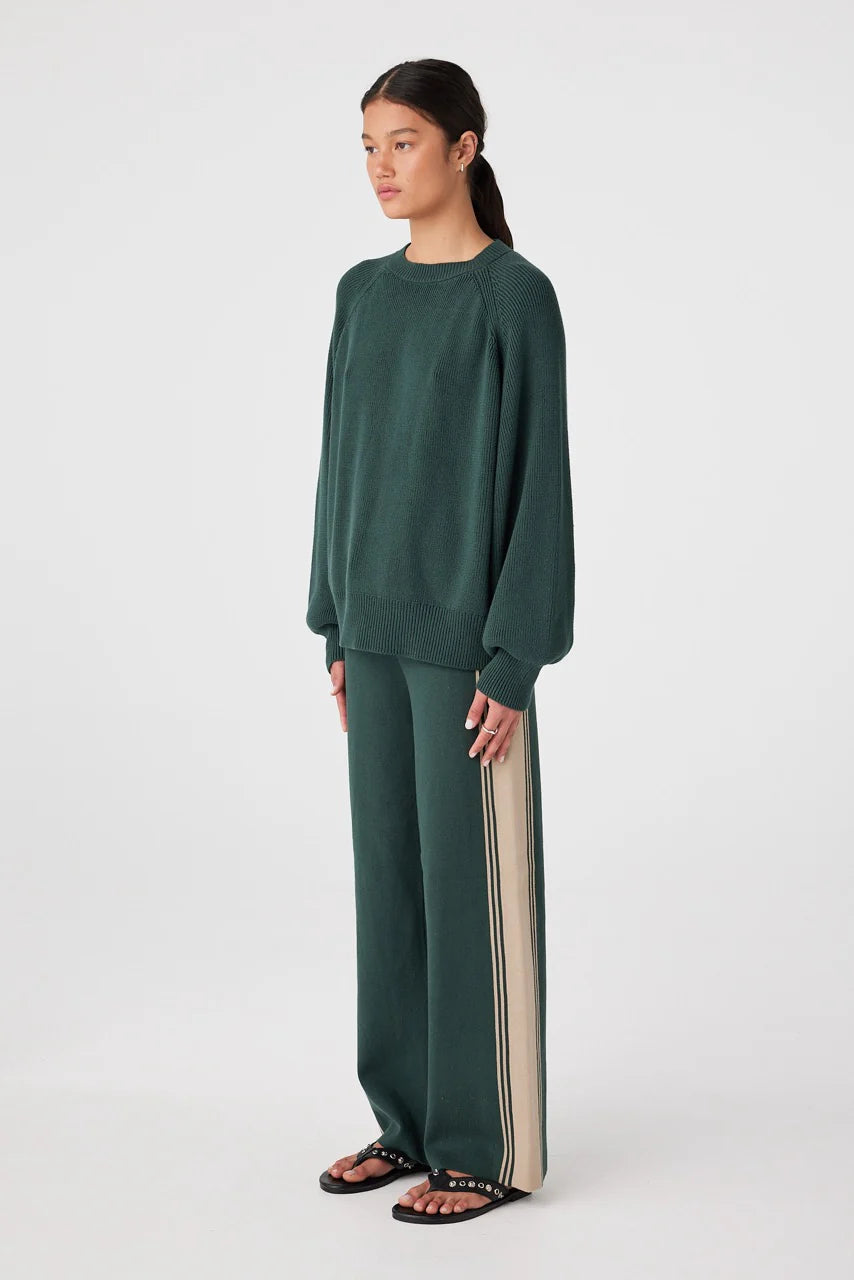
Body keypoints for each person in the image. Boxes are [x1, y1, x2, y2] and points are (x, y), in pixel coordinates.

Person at [306, 58, 575, 1226]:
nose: (380, 166)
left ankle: (486, 1142)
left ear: (464, 148)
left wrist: (514, 655)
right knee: (393, 893)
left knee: (474, 899)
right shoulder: (361, 293)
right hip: (370, 637)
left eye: (403, 141)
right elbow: (339, 458)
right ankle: (407, 1122)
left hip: (468, 653)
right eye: (368, 145)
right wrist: (329, 618)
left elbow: (539, 484)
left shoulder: (512, 295)